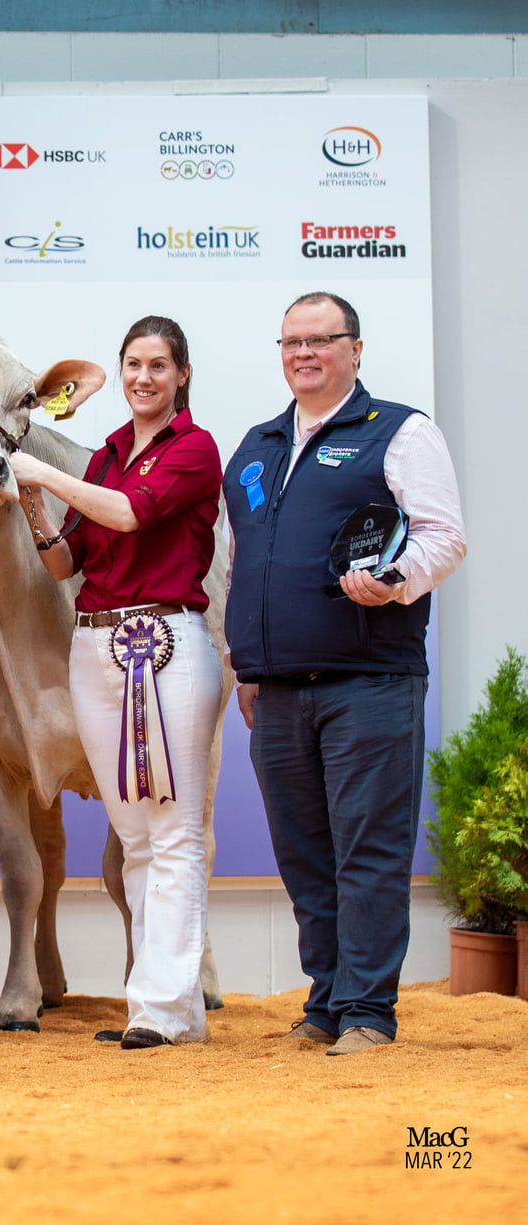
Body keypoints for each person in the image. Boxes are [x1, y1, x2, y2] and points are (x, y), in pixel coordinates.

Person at [223, 292, 466, 1056]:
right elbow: (241, 564)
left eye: (321, 340)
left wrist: (396, 578)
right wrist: (245, 663)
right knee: (304, 855)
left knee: (368, 849)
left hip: (370, 680)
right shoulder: (257, 446)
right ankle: (325, 1000)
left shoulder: (398, 430)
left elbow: (443, 536)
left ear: (354, 349)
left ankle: (368, 1011)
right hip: (278, 688)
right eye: (292, 341)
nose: (304, 353)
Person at [10, 315, 224, 1049]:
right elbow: (66, 563)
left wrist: (41, 472)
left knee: (174, 829)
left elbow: (132, 516)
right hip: (97, 645)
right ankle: (159, 1007)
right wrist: (37, 513)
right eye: (133, 364)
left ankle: (166, 1006)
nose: (142, 377)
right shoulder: (105, 454)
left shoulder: (193, 449)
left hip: (164, 642)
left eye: (158, 365)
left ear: (181, 374)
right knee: (135, 834)